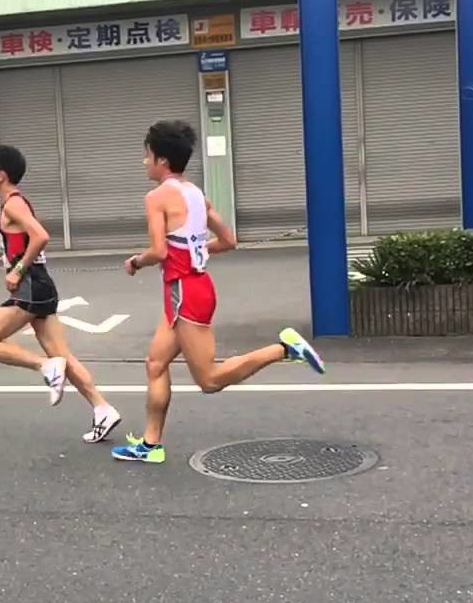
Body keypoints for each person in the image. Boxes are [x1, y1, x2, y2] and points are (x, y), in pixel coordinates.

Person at [112, 120, 325, 465]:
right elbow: (229, 240)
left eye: (147, 155)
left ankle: (284, 349)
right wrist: (196, 249)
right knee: (156, 363)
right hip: (192, 288)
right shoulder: (196, 194)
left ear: (162, 160)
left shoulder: (156, 197)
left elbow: (159, 251)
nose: (144, 161)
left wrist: (136, 262)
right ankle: (151, 445)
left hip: (185, 293)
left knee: (209, 380)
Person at [0, 144, 123, 443]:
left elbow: (40, 237)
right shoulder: (13, 203)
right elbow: (20, 245)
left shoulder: (13, 204)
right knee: (63, 356)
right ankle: (103, 409)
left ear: (1, 175)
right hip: (40, 286)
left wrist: (16, 271)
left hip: (31, 287)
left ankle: (44, 366)